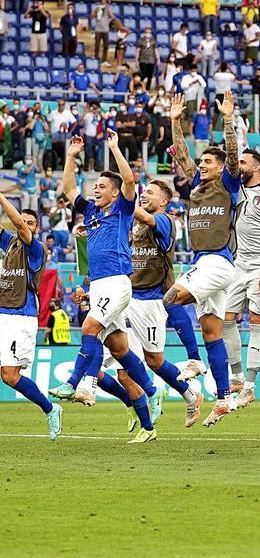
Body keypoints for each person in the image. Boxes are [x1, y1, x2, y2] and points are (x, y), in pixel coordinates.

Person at [49, 131, 162, 444]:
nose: (96, 190)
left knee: (88, 328)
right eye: (95, 186)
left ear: (114, 194)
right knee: (120, 350)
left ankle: (73, 382)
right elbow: (69, 187)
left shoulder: (124, 209)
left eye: (101, 187)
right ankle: (150, 410)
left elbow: (129, 180)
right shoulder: (91, 212)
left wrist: (114, 148)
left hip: (116, 282)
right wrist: (71, 156)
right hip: (99, 285)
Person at [161, 91, 241, 425]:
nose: (202, 165)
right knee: (212, 332)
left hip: (216, 262)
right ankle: (223, 397)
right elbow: (181, 156)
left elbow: (233, 155)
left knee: (167, 299)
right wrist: (174, 120)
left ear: (221, 167)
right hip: (205, 263)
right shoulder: (196, 184)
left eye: (208, 161)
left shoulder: (227, 181)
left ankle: (193, 360)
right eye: (203, 162)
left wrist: (227, 118)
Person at [126, 178, 205, 427]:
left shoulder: (164, 220)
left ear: (164, 201)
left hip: (152, 299)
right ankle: (146, 396)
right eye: (142, 192)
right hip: (129, 298)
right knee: (117, 354)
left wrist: (123, 203)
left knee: (155, 361)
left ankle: (190, 393)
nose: (143, 195)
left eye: (149, 192)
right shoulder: (136, 227)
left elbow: (147, 219)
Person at [219, 148, 260, 409]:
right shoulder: (235, 189)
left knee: (256, 322)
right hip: (239, 264)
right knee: (227, 319)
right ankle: (236, 375)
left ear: (256, 167)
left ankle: (249, 384)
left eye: (243, 162)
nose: (239, 166)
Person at [0, 191, 62, 440]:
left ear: (36, 228)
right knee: (7, 376)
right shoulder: (11, 244)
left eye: (30, 223)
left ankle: (50, 408)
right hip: (3, 312)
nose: (24, 225)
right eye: (22, 221)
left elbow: (15, 223)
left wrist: (2, 198)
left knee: (10, 376)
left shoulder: (36, 250)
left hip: (19, 316)